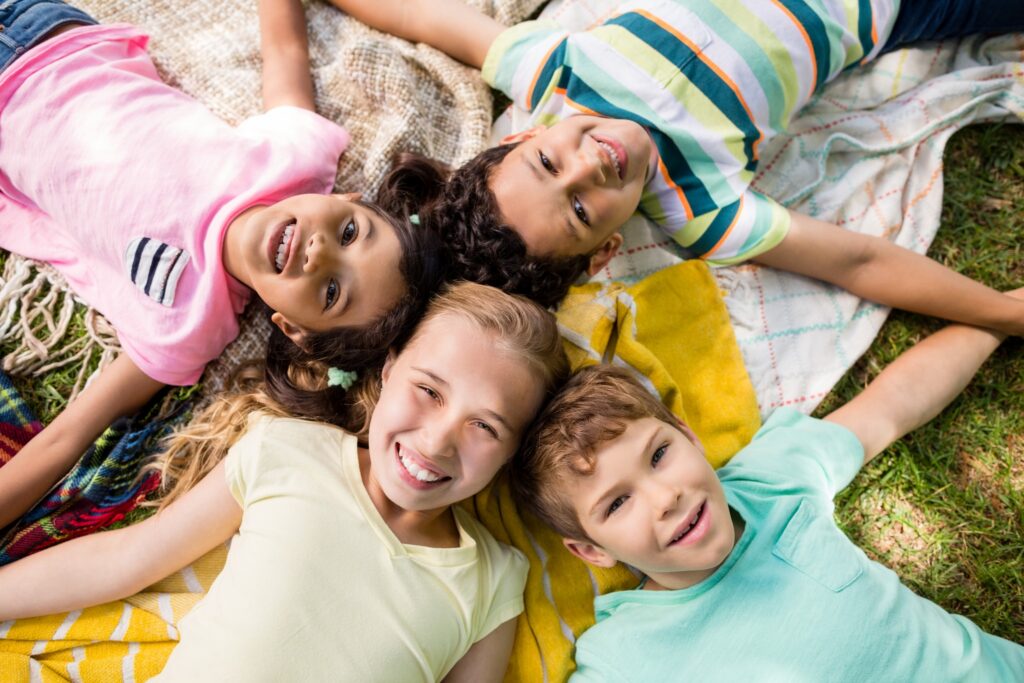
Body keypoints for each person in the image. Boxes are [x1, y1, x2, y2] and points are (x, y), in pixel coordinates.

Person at [0, 0, 445, 529]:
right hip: (51, 35)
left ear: (294, 329)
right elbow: (284, 49)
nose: (319, 252)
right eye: (350, 232)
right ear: (347, 199)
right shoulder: (294, 162)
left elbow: (67, 435)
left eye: (331, 292)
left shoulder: (185, 326)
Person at [0, 281, 570, 681]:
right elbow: (127, 558)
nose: (440, 440)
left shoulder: (493, 581)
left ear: (513, 451)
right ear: (390, 370)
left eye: (485, 426)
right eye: (429, 391)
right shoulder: (290, 450)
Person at [329, 0, 1024, 313]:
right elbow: (860, 261)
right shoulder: (703, 210)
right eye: (579, 209)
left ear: (521, 137)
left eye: (548, 164)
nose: (588, 166)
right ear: (604, 252)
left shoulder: (556, 73)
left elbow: (421, 16)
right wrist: (1000, 312)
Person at [509, 294, 1024, 680]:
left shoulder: (769, 481)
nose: (666, 498)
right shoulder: (623, 658)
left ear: (689, 436)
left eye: (660, 455)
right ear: (590, 550)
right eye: (618, 503)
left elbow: (893, 404)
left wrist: (1003, 316)